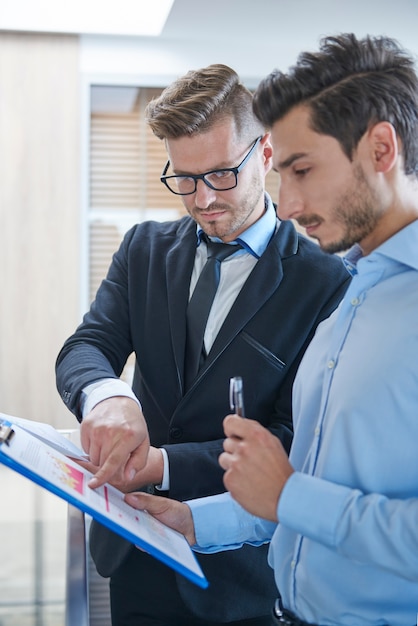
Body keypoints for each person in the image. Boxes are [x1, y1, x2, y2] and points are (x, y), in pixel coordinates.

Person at [125, 34, 418, 626]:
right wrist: (198, 521)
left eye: (302, 169)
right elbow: (298, 487)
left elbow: (295, 494)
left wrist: (289, 495)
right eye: (282, 173)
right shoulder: (352, 297)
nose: (285, 206)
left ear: (381, 148)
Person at [56, 63, 350, 626]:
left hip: (239, 579)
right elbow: (88, 345)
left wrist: (162, 465)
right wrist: (107, 397)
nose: (202, 199)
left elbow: (293, 441)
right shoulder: (142, 249)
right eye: (184, 179)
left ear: (264, 154)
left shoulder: (327, 282)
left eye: (220, 175)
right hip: (134, 554)